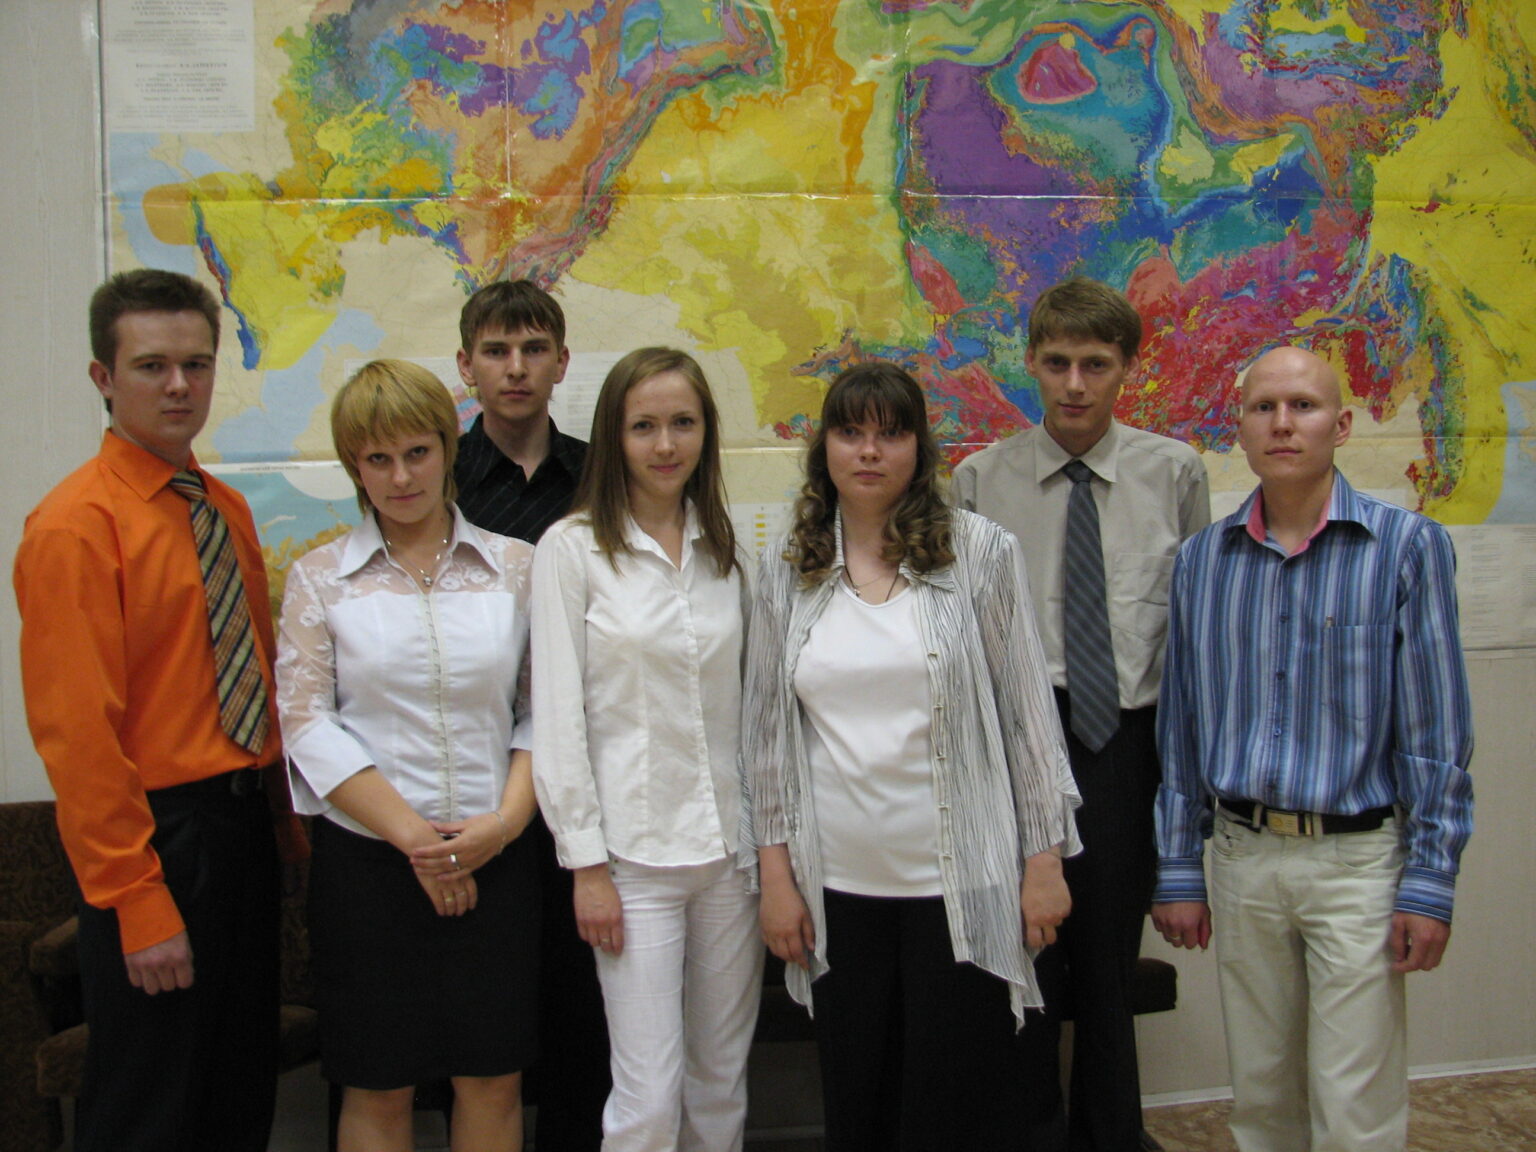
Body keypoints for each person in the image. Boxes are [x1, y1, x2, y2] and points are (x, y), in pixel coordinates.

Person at [744, 360, 1083, 1150]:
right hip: (837, 888)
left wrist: (1044, 862)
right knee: (858, 1099)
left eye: (891, 434)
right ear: (824, 449)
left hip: (959, 884)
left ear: (920, 450)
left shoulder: (979, 553)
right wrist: (775, 881)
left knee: (949, 1105)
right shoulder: (785, 570)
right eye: (850, 432)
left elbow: (1029, 717)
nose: (869, 451)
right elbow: (762, 741)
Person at [1152, 346, 1474, 1152]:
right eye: (1263, 407)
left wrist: (1431, 879)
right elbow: (1182, 723)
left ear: (1343, 423)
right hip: (1243, 856)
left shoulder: (1405, 548)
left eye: (1303, 405)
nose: (1283, 424)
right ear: (1240, 427)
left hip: (1357, 864)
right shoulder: (1201, 562)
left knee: (1352, 1102)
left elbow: (1435, 729)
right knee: (1262, 1097)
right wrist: (1179, 864)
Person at [14, 268, 302, 1152]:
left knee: (235, 1092)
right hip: (158, 843)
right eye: (151, 366)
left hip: (242, 832)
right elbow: (79, 740)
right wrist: (137, 902)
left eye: (197, 364)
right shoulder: (74, 526)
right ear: (103, 378)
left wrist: (283, 831)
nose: (179, 386)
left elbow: (255, 679)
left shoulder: (223, 509)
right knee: (151, 1107)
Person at [952, 277, 1210, 1151]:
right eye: (1056, 361)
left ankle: (1111, 1137)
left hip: (1121, 745)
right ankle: (1030, 1134)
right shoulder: (977, 481)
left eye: (1095, 364)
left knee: (1106, 967)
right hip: (1017, 743)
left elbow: (1190, 633)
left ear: (1127, 367)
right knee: (1023, 964)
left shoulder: (1174, 473)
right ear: (1029, 361)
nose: (1073, 384)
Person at [276, 360, 540, 1152]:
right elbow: (306, 724)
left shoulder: (517, 567)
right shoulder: (320, 579)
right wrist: (419, 842)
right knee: (377, 1082)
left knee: (492, 1078)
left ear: (447, 450)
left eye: (417, 452)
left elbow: (545, 712)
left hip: (498, 855)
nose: (400, 477)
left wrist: (503, 825)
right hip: (370, 868)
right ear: (353, 466)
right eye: (377, 458)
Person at [531, 347, 762, 1152]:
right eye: (644, 426)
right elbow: (557, 718)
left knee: (719, 1084)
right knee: (649, 1099)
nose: (666, 444)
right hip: (632, 864)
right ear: (613, 436)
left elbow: (752, 714)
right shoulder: (571, 550)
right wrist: (586, 865)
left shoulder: (728, 554)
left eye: (683, 423)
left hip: (731, 861)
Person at [454, 278, 607, 1150]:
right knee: (486, 1024)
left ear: (561, 362)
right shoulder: (437, 477)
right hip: (478, 783)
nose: (516, 368)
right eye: (497, 351)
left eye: (534, 349)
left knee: (585, 1014)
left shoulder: (603, 476)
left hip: (589, 776)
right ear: (466, 365)